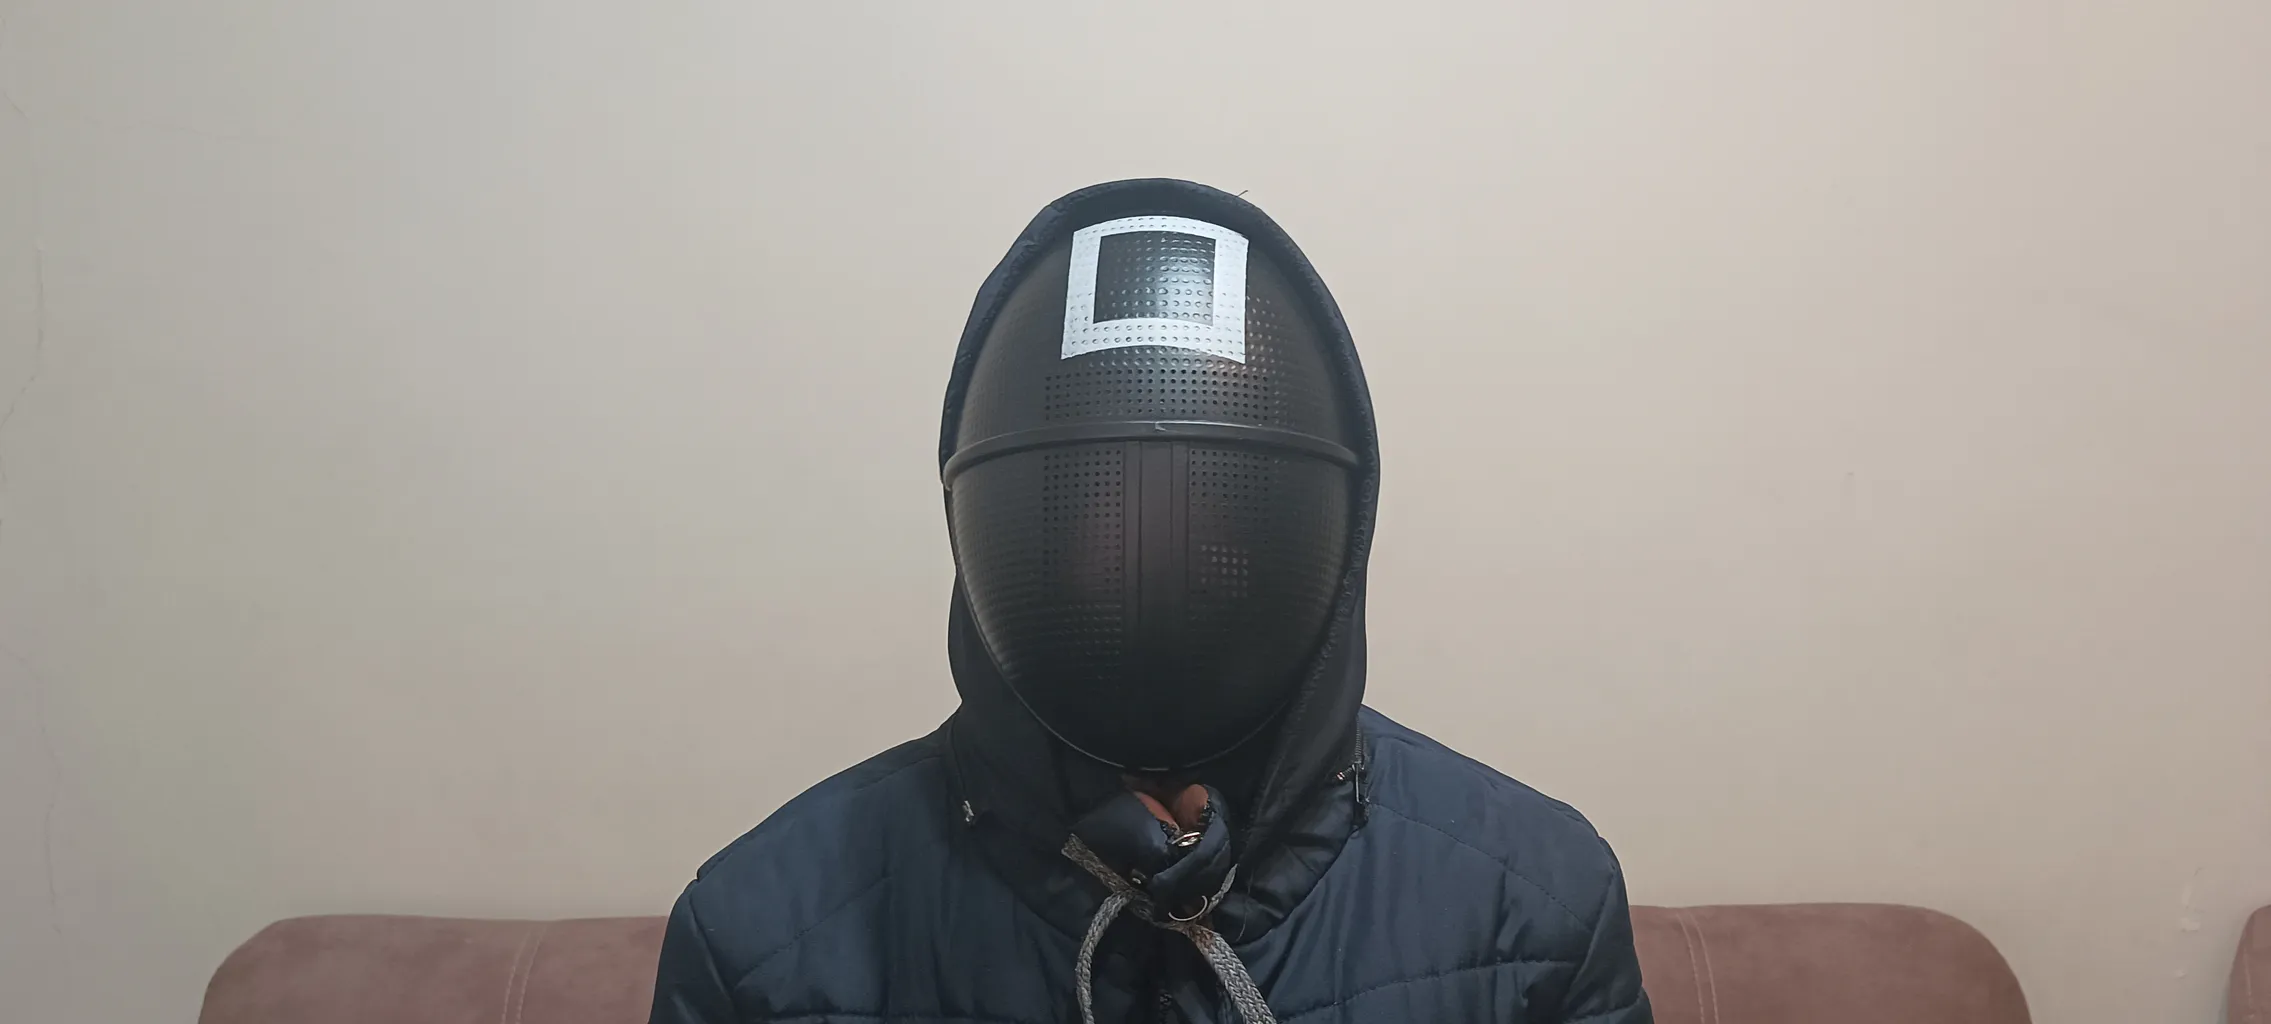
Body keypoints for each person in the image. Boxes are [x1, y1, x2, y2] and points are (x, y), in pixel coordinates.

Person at [648, 179, 1652, 1024]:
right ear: (988, 529)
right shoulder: (759, 941)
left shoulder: (1536, 904)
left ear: (1329, 530)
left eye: (1218, 527)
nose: (1149, 566)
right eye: (1090, 527)